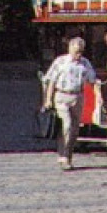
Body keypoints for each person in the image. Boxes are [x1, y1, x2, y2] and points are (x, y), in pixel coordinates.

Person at [42, 37, 98, 171]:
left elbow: (92, 80)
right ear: (70, 48)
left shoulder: (85, 63)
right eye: (76, 51)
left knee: (74, 130)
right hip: (62, 95)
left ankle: (67, 156)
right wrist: (48, 99)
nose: (78, 55)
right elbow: (51, 81)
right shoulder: (60, 62)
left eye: (80, 52)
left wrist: (98, 95)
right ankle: (63, 155)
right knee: (66, 124)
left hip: (77, 96)